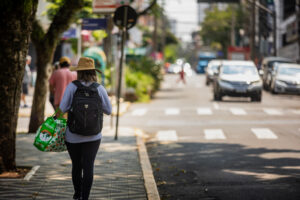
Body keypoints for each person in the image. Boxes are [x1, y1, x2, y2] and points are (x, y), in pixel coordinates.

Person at [56, 57, 112, 200]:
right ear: (93, 72)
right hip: (94, 136)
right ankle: (85, 197)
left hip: (73, 136)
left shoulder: (72, 87)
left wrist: (55, 118)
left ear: (79, 72)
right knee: (89, 166)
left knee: (76, 166)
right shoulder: (99, 88)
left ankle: (77, 194)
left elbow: (62, 108)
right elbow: (109, 110)